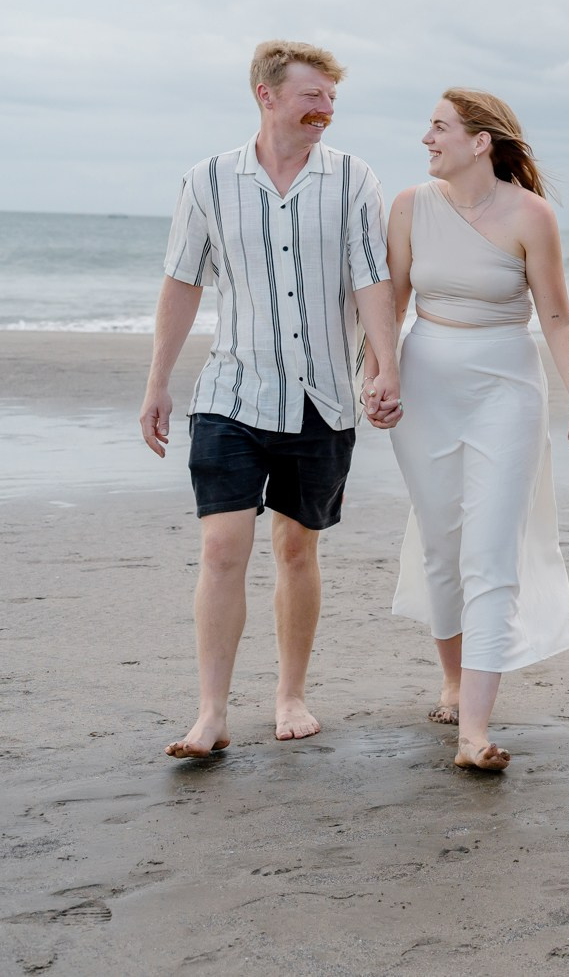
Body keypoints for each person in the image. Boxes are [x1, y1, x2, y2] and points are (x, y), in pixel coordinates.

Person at [140, 40, 400, 758]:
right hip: (231, 391)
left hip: (323, 398)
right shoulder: (208, 180)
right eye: (312, 96)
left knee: (295, 547)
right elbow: (182, 282)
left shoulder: (353, 179)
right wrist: (158, 380)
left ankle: (289, 693)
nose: (326, 110)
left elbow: (372, 282)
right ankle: (211, 712)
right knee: (223, 547)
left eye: (331, 99)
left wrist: (385, 365)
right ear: (267, 94)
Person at [378, 90, 569, 772]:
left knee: (490, 549)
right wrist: (380, 373)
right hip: (426, 383)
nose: (425, 136)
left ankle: (475, 729)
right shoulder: (409, 206)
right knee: (442, 543)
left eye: (438, 126)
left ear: (480, 141)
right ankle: (455, 676)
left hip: (506, 387)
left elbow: (555, 316)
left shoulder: (531, 215)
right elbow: (392, 299)